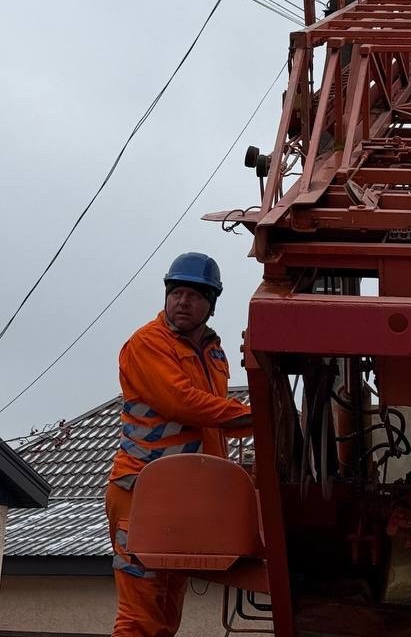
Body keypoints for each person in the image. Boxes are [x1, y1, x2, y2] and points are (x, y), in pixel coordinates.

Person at [106, 251, 252, 637]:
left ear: (211, 304)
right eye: (177, 292)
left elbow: (211, 423)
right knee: (139, 616)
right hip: (141, 491)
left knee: (167, 611)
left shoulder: (214, 352)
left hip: (183, 496)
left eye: (194, 295)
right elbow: (181, 402)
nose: (183, 301)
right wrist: (254, 416)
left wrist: (266, 424)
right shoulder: (147, 343)